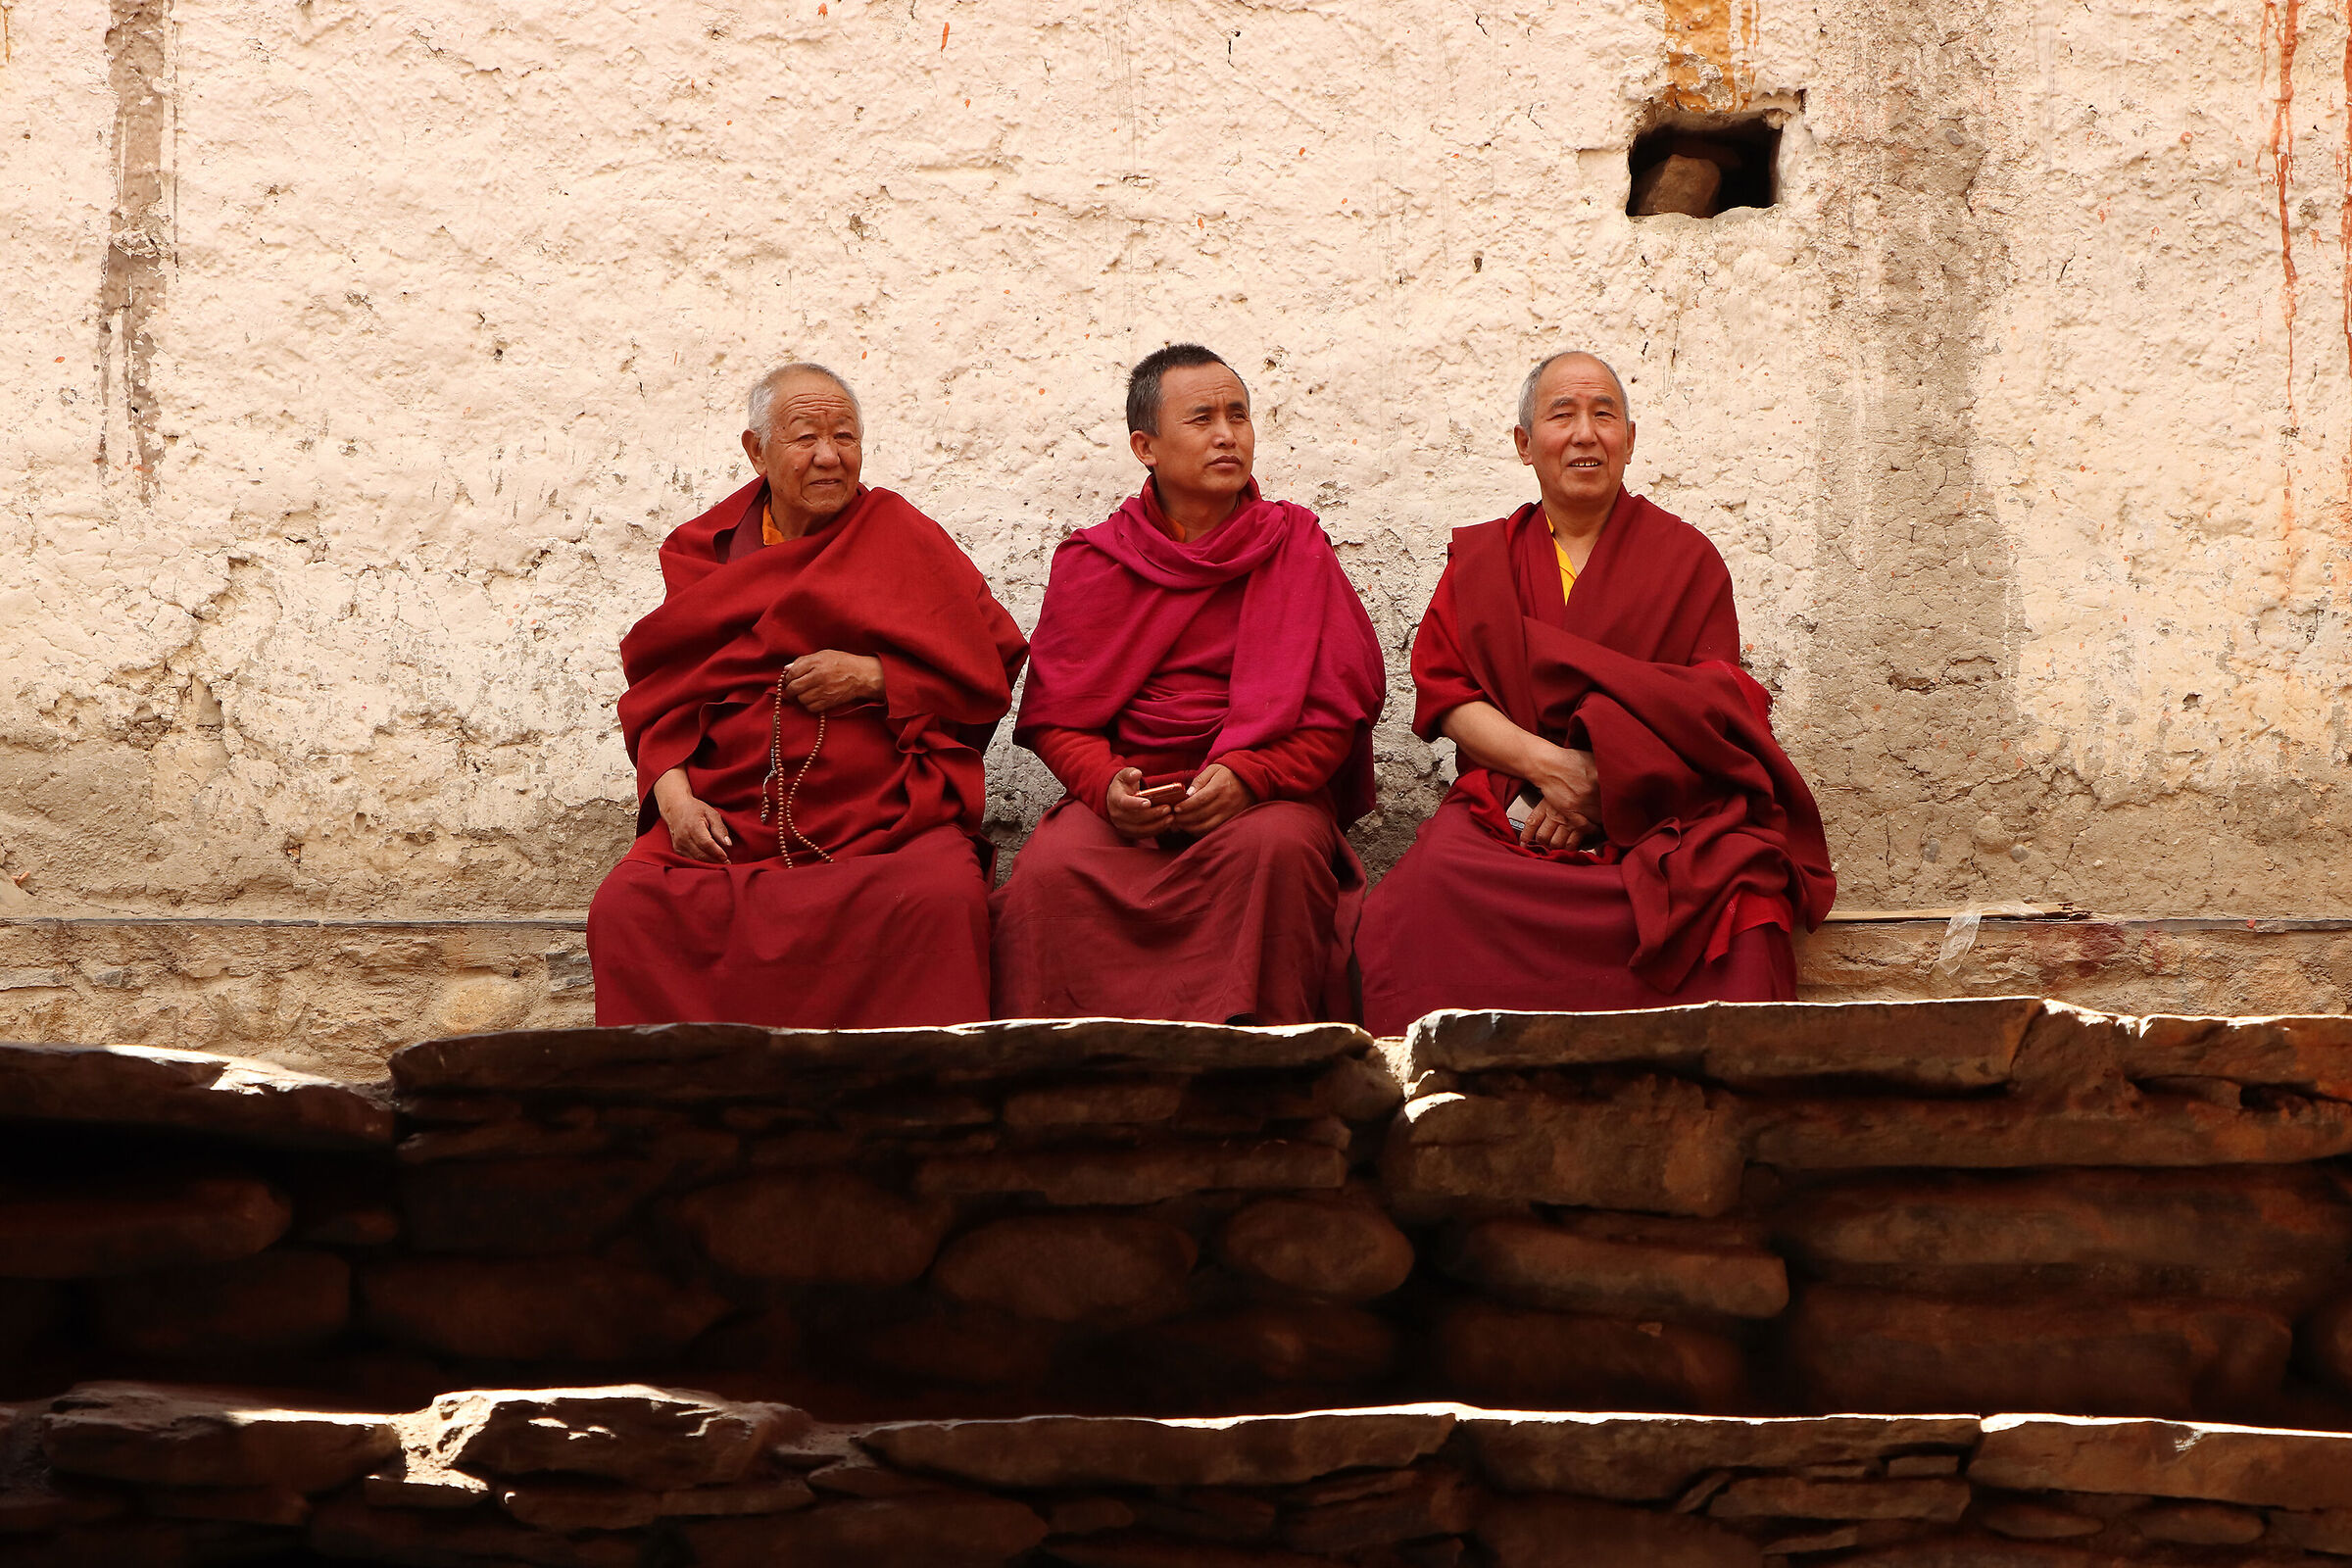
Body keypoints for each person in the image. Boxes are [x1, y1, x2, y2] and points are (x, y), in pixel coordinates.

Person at [1357, 351, 1835, 1035]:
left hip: (1657, 817)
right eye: (1562, 415)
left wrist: (1608, 783)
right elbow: (1446, 692)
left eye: (1604, 415)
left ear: (1629, 441)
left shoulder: (1685, 559)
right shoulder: (1487, 561)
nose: (1585, 433)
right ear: (1525, 446)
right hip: (1518, 803)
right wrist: (1552, 770)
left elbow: (1714, 711)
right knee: (1425, 890)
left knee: (1743, 899)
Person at [586, 363, 1027, 1028]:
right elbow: (661, 696)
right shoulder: (705, 553)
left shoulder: (898, 534)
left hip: (881, 816)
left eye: (845, 437)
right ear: (756, 451)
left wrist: (876, 676)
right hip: (735, 814)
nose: (829, 456)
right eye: (805, 438)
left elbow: (987, 664)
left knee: (940, 896)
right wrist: (674, 801)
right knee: (629, 905)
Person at [992, 344, 1387, 1024]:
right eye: (1201, 418)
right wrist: (1105, 786)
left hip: (1263, 799)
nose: (1228, 434)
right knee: (1050, 872)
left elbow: (1336, 710)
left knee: (1279, 852)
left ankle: (1266, 1075)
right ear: (1145, 445)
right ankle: (1065, 1075)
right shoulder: (1095, 561)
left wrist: (1252, 777)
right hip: (1130, 800)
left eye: (1239, 415)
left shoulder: (1295, 545)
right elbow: (1059, 719)